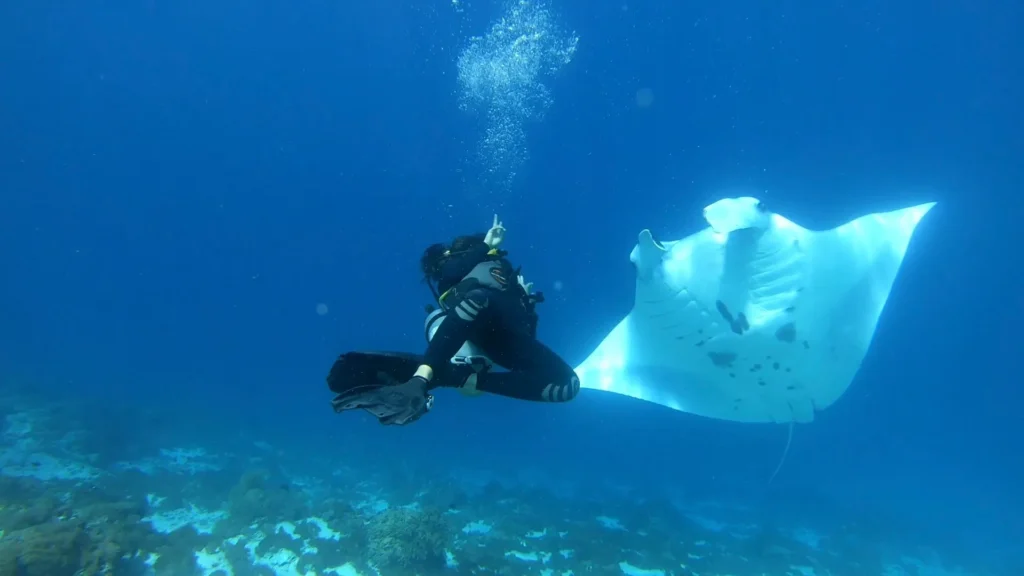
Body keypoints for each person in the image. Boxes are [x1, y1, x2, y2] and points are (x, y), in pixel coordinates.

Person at [330, 215, 580, 425]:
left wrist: (527, 304)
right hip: (476, 325)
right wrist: (484, 245)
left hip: (503, 342)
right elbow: (450, 273)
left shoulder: (505, 279)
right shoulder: (458, 267)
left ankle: (456, 376)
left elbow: (527, 346)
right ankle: (421, 378)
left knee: (568, 386)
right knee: (479, 297)